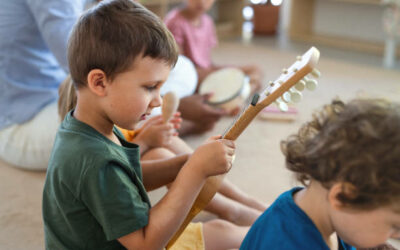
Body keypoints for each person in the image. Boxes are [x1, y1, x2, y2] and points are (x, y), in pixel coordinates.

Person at [43, 1, 249, 249]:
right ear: (99, 83)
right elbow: (145, 244)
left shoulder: (87, 126)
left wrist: (187, 162)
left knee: (223, 231)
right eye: (150, 87)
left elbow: (126, 179)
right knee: (230, 238)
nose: (158, 101)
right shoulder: (95, 161)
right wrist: (194, 173)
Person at [0, 0, 224, 171]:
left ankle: (155, 126)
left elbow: (124, 31)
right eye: (150, 89)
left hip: (62, 88)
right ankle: (166, 120)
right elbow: (81, 63)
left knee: (182, 68)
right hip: (21, 125)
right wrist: (178, 105)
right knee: (147, 144)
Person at [58, 77, 267, 226]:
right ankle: (231, 210)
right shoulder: (86, 145)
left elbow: (128, 137)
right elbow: (114, 163)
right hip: (124, 171)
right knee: (161, 154)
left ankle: (243, 199)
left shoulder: (112, 117)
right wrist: (146, 141)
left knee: (170, 144)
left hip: (133, 158)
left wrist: (155, 131)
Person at [240, 98, 400, 250]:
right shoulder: (288, 244)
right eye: (394, 226)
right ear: (343, 197)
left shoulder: (323, 213)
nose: (397, 235)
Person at [164, 0, 263, 90]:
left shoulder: (208, 21)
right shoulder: (175, 21)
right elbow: (177, 65)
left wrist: (219, 71)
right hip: (188, 74)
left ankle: (243, 88)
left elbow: (206, 61)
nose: (202, 2)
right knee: (225, 79)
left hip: (206, 70)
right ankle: (242, 89)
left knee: (254, 69)